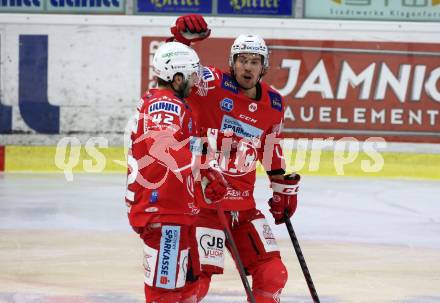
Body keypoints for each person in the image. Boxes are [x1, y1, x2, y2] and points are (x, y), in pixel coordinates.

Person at [168, 15, 302, 303]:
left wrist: (282, 189)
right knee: (197, 281)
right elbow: (175, 75)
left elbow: (271, 148)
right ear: (232, 63)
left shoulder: (274, 103)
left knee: (273, 273)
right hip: (204, 205)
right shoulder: (211, 83)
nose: (247, 66)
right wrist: (180, 43)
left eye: (255, 61)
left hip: (242, 207)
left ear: (264, 67)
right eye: (242, 60)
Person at [124, 41, 228, 303]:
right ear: (176, 77)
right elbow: (164, 147)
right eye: (191, 76)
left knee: (187, 289)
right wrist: (205, 167)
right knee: (166, 294)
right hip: (164, 214)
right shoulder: (164, 105)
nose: (195, 82)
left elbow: (183, 147)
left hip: (176, 212)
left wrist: (206, 168)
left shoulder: (169, 103)